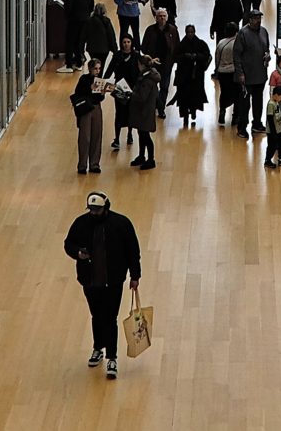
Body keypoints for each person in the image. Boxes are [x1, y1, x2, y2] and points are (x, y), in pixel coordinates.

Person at [64, 191, 140, 378]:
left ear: (106, 208)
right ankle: (98, 348)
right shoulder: (81, 223)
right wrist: (78, 254)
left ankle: (112, 357)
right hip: (90, 280)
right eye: (91, 210)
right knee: (96, 315)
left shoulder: (121, 224)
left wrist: (135, 275)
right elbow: (69, 244)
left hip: (113, 280)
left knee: (110, 318)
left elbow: (132, 250)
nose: (94, 213)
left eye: (97, 210)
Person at [233, 13, 271, 137]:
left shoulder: (264, 32)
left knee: (258, 102)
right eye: (255, 19)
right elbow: (237, 55)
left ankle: (257, 124)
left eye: (259, 18)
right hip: (246, 75)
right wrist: (240, 73)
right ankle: (242, 127)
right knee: (245, 104)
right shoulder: (243, 33)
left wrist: (268, 56)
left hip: (260, 74)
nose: (258, 21)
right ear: (250, 20)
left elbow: (267, 49)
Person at [71, 57, 107, 175]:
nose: (97, 71)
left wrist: (102, 93)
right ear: (90, 69)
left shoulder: (100, 80)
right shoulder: (84, 79)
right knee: (85, 137)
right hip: (86, 109)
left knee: (96, 135)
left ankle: (94, 164)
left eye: (99, 69)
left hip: (96, 107)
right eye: (95, 68)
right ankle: (82, 165)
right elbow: (78, 93)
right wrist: (89, 89)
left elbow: (100, 98)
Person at [141, 8, 176, 118]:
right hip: (153, 64)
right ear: (156, 18)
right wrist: (150, 59)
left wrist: (174, 60)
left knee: (164, 87)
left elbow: (176, 46)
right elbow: (144, 47)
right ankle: (155, 105)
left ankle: (161, 109)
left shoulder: (172, 30)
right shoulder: (150, 30)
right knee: (152, 87)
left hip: (167, 64)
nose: (162, 18)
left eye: (164, 16)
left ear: (167, 17)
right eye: (160, 16)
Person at [172, 24, 210, 127]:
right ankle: (185, 116)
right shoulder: (181, 45)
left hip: (196, 76)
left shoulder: (201, 44)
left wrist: (196, 56)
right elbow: (175, 57)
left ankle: (193, 111)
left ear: (194, 32)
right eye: (188, 32)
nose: (190, 34)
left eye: (191, 32)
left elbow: (207, 55)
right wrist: (185, 56)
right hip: (184, 76)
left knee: (195, 95)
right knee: (184, 96)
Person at [127, 58, 160, 170]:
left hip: (144, 111)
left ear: (141, 65)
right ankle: (142, 156)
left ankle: (151, 159)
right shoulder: (149, 76)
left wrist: (131, 94)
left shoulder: (147, 80)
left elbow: (142, 97)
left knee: (145, 136)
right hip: (143, 111)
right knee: (142, 134)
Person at [60, 0, 94, 71]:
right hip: (85, 20)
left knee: (70, 42)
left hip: (74, 20)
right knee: (80, 42)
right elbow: (91, 6)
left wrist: (67, 16)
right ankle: (79, 63)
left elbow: (69, 7)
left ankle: (69, 65)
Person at [212, 28, 240, 129]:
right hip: (233, 72)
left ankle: (222, 111)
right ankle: (235, 117)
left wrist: (217, 69)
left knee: (224, 92)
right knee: (237, 93)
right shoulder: (237, 43)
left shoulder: (221, 42)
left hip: (222, 72)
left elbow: (217, 57)